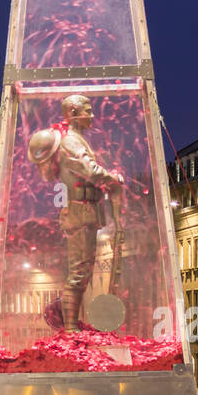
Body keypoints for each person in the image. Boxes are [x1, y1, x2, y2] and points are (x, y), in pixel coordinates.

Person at [27, 94, 123, 331]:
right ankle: (70, 328)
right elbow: (89, 170)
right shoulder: (71, 141)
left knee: (83, 270)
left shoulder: (75, 138)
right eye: (87, 111)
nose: (91, 115)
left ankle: (71, 324)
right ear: (72, 112)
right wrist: (112, 177)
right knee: (80, 272)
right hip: (80, 212)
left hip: (84, 211)